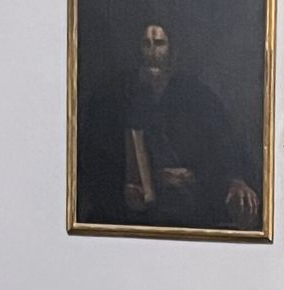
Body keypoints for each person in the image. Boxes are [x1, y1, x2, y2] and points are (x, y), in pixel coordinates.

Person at [77, 22, 261, 229]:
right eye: (146, 44)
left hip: (190, 210)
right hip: (128, 214)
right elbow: (93, 161)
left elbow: (226, 150)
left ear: (172, 50)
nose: (153, 52)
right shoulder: (113, 97)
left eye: (159, 43)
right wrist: (143, 182)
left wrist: (234, 180)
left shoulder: (198, 96)